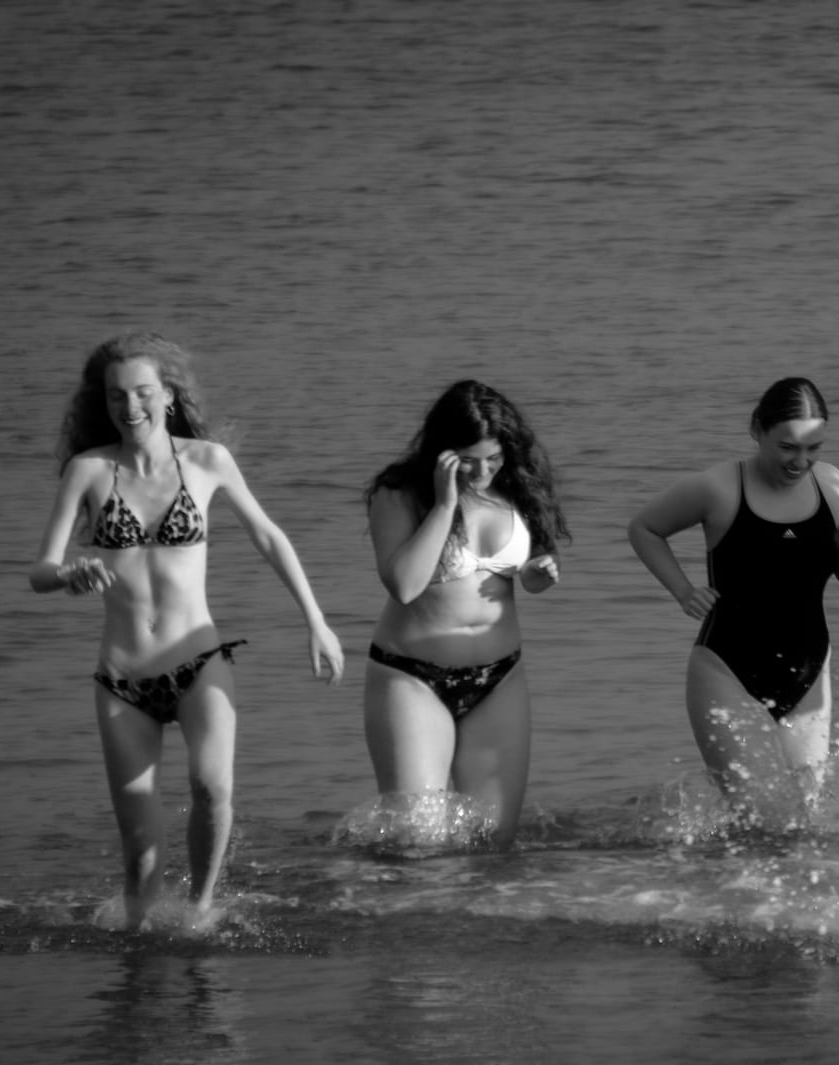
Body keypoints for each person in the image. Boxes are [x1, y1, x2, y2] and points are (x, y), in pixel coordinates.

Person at [28, 332, 344, 929]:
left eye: (144, 392)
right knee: (142, 857)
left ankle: (201, 912)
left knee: (210, 788)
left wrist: (317, 621)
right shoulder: (88, 470)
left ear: (168, 394)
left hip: (198, 660)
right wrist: (67, 575)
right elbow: (39, 570)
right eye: (117, 396)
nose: (131, 407)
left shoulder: (206, 461)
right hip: (123, 679)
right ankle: (142, 957)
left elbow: (269, 536)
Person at [628, 378, 839, 822]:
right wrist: (683, 590)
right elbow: (644, 528)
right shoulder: (717, 488)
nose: (801, 460)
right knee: (758, 819)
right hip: (726, 668)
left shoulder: (831, 484)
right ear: (757, 430)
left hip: (810, 671)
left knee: (802, 821)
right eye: (788, 447)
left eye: (813, 447)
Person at [361, 379, 567, 848]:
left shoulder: (518, 491)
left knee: (495, 841)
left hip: (500, 678)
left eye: (494, 459)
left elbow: (524, 580)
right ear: (442, 451)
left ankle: (474, 924)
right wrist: (445, 503)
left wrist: (539, 572)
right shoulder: (397, 495)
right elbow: (404, 585)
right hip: (411, 678)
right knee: (418, 841)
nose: (483, 471)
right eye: (469, 459)